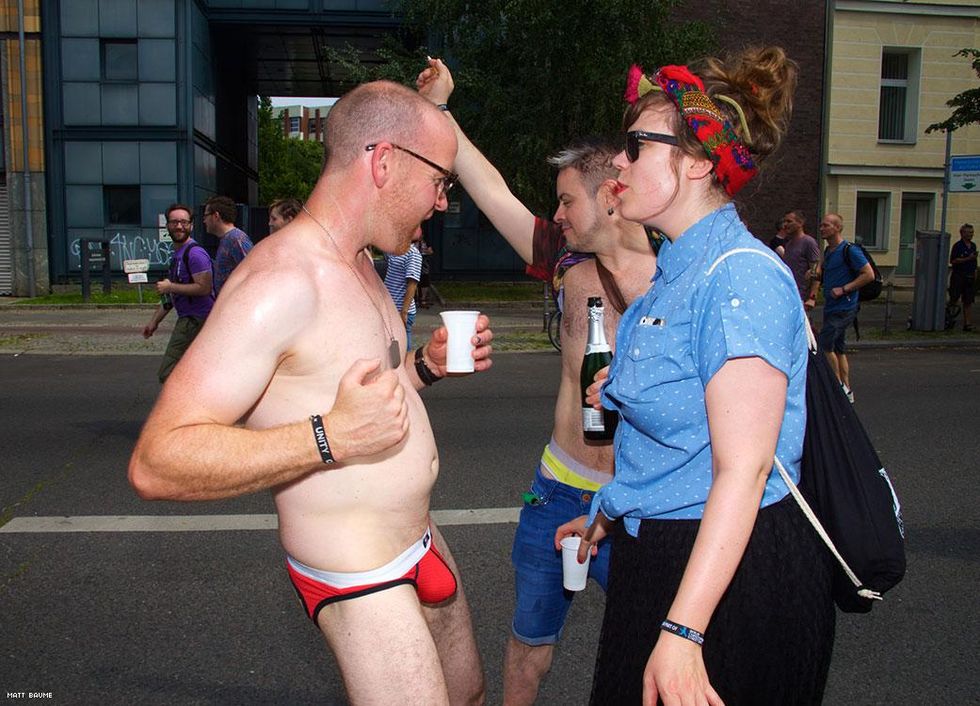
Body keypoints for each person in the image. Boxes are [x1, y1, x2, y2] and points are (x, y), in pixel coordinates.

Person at [128, 80, 492, 706]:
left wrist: (423, 370)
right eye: (440, 181)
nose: (440, 202)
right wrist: (330, 438)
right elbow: (157, 461)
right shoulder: (281, 281)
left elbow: (358, 399)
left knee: (471, 695)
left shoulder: (361, 262)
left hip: (420, 538)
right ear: (383, 162)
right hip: (359, 575)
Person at [557, 47, 836, 705]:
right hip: (663, 555)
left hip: (730, 580)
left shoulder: (738, 276)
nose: (619, 162)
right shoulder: (675, 275)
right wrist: (606, 511)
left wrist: (685, 630)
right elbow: (678, 443)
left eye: (636, 145)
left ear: (697, 163)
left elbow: (744, 469)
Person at [418, 58, 657, 705]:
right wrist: (441, 110)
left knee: (657, 655)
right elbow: (489, 189)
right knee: (528, 654)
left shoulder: (674, 274)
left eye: (566, 198)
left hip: (638, 504)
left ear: (612, 194)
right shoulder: (565, 259)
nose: (556, 212)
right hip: (556, 492)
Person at [141, 203, 215, 384]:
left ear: (191, 225)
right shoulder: (178, 255)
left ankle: (189, 405)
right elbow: (171, 297)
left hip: (197, 319)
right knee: (194, 369)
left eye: (184, 222)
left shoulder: (195, 254)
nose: (179, 226)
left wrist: (170, 287)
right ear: (167, 226)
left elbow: (204, 288)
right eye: (174, 222)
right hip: (189, 319)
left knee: (168, 372)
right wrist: (153, 322)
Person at [817, 212, 874, 402]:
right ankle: (846, 389)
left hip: (844, 307)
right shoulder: (829, 252)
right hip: (832, 306)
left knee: (825, 346)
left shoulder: (850, 250)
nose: (822, 228)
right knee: (839, 349)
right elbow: (829, 276)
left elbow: (868, 274)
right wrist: (816, 277)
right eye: (822, 225)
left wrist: (844, 289)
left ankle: (837, 386)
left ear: (837, 228)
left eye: (826, 225)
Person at [203, 195, 254, 296]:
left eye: (206, 216)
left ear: (216, 216)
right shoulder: (226, 239)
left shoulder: (236, 239)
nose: (204, 221)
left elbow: (253, 272)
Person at [383, 233, 423, 350]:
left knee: (403, 347)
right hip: (392, 308)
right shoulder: (396, 250)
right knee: (393, 345)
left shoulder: (413, 254)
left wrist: (404, 313)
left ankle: (405, 366)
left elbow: (412, 284)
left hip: (401, 310)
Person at [779, 209, 821, 311]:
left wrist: (812, 298)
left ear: (800, 223)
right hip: (791, 295)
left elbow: (816, 270)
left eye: (789, 221)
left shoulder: (809, 242)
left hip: (803, 297)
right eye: (784, 222)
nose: (785, 225)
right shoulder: (789, 244)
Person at [948, 223, 976, 332]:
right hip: (959, 276)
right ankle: (949, 320)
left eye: (972, 232)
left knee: (968, 301)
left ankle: (967, 324)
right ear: (962, 233)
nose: (970, 235)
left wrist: (975, 272)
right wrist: (967, 259)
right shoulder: (958, 246)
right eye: (968, 232)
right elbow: (953, 260)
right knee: (954, 299)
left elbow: (974, 260)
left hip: (969, 277)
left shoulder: (973, 246)